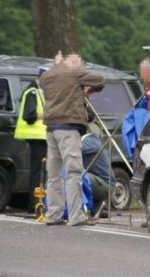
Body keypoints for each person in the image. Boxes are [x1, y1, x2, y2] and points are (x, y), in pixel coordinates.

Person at [39, 51, 105, 226]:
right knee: (73, 172)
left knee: (53, 175)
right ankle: (76, 216)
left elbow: (51, 80)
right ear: (74, 63)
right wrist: (87, 86)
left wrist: (58, 65)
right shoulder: (74, 73)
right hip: (68, 128)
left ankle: (53, 214)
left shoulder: (47, 75)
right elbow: (99, 80)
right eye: (80, 64)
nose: (82, 67)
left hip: (51, 129)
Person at [14, 67, 48, 213]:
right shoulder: (32, 93)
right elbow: (29, 116)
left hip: (41, 138)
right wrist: (46, 114)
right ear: (39, 78)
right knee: (37, 173)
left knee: (41, 172)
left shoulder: (38, 92)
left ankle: (37, 203)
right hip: (37, 138)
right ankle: (34, 205)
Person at [81, 131, 116, 218]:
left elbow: (75, 149)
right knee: (78, 175)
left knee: (77, 177)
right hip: (101, 182)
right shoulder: (91, 141)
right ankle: (97, 208)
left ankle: (80, 208)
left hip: (105, 184)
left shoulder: (89, 141)